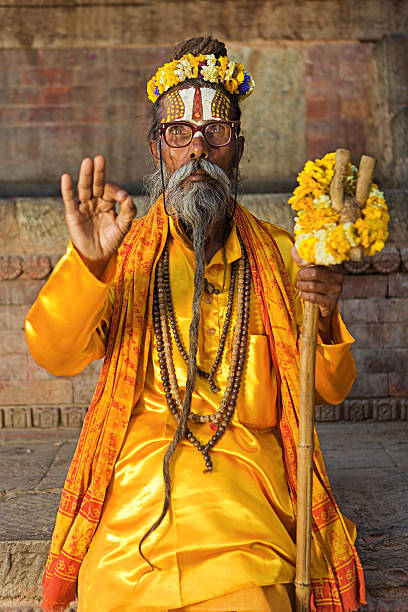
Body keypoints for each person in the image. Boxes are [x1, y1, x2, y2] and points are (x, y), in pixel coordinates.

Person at [25, 36, 366, 612]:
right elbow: (54, 356)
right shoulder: (124, 253)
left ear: (239, 149)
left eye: (216, 133)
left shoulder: (283, 255)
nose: (198, 151)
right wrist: (89, 265)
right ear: (158, 149)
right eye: (179, 134)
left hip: (246, 503)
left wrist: (326, 313)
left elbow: (329, 390)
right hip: (135, 504)